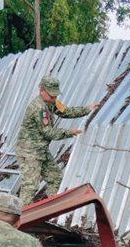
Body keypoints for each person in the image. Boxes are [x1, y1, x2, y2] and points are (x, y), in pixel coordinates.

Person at [16, 75, 97, 206]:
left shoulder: (50, 102)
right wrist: (69, 132)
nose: (54, 98)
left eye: (55, 95)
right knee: (30, 186)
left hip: (40, 149)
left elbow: (65, 111)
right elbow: (47, 132)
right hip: (29, 151)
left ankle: (49, 209)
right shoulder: (39, 108)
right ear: (41, 90)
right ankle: (23, 217)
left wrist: (87, 109)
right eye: (51, 95)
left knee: (55, 177)